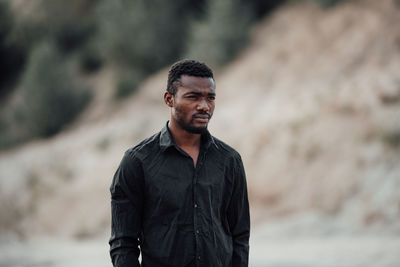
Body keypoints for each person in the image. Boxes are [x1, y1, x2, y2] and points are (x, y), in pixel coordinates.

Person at [109, 59, 250, 267]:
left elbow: (240, 235)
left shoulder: (229, 160)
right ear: (169, 99)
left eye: (210, 98)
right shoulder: (137, 162)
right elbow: (123, 244)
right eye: (193, 97)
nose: (204, 106)